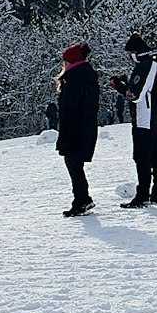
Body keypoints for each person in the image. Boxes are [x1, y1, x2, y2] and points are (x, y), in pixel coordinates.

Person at [118, 34, 157, 208]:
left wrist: (120, 86)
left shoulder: (146, 65)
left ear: (135, 52)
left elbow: (135, 95)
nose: (128, 57)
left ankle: (142, 196)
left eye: (129, 54)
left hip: (146, 119)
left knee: (142, 156)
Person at [55, 44, 101, 216]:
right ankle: (82, 199)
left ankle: (82, 200)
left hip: (76, 129)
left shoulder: (74, 80)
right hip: (85, 127)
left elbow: (70, 109)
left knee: (73, 163)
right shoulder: (85, 77)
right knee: (74, 163)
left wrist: (65, 134)